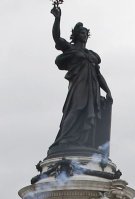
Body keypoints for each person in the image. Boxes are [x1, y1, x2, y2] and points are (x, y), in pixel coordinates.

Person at [48, 4, 112, 156]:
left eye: (85, 33)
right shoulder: (70, 49)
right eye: (81, 33)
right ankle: (63, 139)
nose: (84, 35)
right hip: (78, 86)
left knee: (88, 114)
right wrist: (57, 19)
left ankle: (84, 142)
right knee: (76, 109)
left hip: (92, 87)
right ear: (76, 35)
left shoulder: (92, 55)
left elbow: (98, 75)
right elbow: (57, 38)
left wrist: (108, 91)